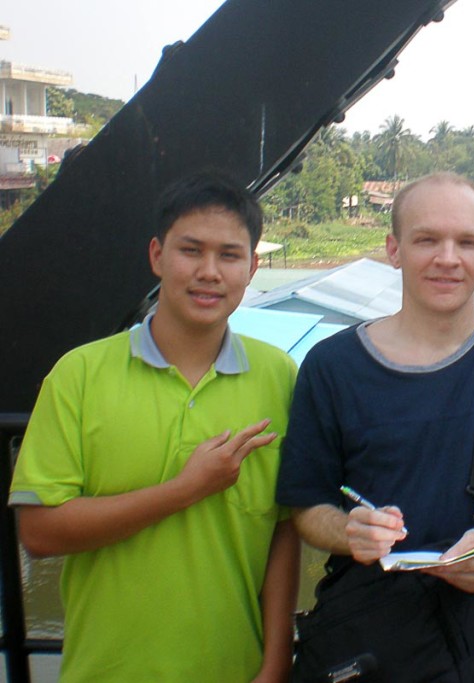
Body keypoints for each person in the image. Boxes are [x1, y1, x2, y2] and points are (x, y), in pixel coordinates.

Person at [275, 172, 474, 682]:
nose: (447, 258)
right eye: (427, 239)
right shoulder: (332, 366)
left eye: (467, 242)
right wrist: (350, 531)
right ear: (394, 249)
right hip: (372, 650)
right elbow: (306, 508)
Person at [9, 171, 300, 682]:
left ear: (253, 267)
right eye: (191, 250)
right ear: (156, 256)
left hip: (234, 670)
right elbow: (39, 532)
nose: (209, 271)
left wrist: (275, 663)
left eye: (229, 255)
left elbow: (281, 529)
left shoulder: (279, 376)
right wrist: (186, 490)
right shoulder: (79, 375)